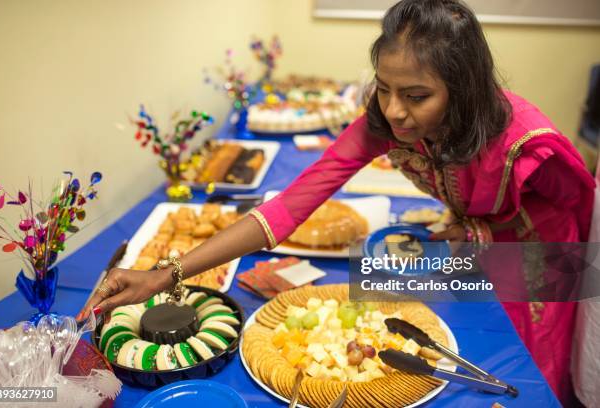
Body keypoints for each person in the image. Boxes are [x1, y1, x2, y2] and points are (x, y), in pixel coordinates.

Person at [78, 0, 594, 403]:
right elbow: (292, 204)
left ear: (464, 90)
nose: (393, 111)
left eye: (416, 96)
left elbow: (579, 225)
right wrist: (165, 275)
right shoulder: (385, 115)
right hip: (471, 243)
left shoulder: (528, 144)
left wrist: (488, 236)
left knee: (525, 372)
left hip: (539, 257)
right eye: (384, 88)